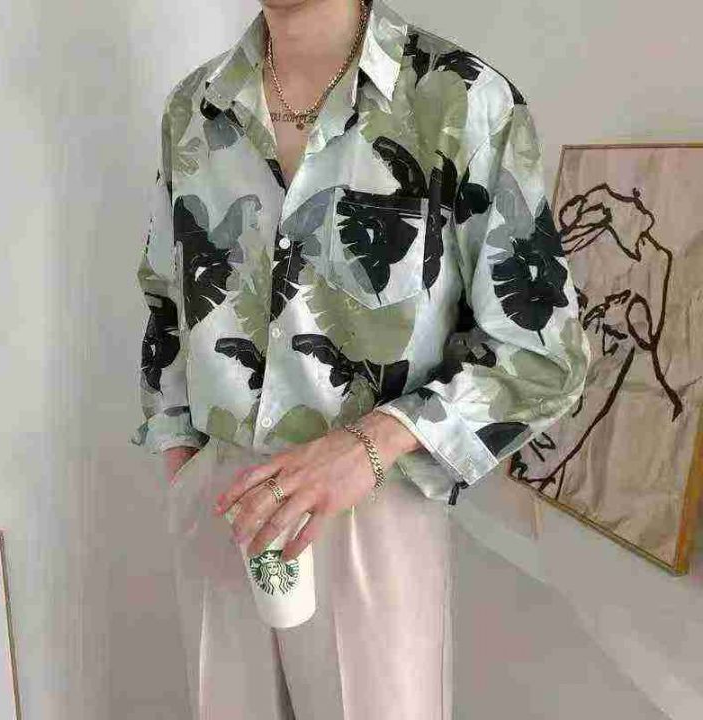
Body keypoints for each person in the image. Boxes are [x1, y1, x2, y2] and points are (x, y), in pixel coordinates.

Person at [130, 0, 591, 717]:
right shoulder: (194, 108)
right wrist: (184, 467)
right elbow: (166, 300)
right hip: (224, 504)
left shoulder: (460, 98)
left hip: (373, 503)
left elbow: (542, 353)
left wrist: (371, 446)